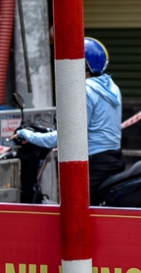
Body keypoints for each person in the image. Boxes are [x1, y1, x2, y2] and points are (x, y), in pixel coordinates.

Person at [15, 37, 125, 202]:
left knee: (73, 207)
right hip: (113, 159)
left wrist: (26, 134)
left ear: (83, 66)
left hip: (93, 164)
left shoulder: (85, 91)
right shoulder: (111, 87)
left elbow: (65, 138)